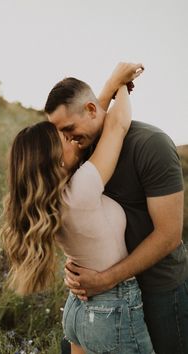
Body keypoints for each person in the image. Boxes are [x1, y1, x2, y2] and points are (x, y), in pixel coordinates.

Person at [0, 64, 155, 353]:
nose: (72, 140)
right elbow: (117, 125)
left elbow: (95, 120)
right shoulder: (81, 189)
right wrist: (120, 82)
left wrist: (102, 96)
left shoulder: (49, 201)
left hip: (78, 310)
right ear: (55, 161)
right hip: (113, 307)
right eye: (63, 140)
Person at [44, 63, 188, 354]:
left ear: (91, 109)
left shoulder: (151, 145)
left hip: (158, 286)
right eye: (59, 133)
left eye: (69, 130)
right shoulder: (78, 156)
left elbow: (169, 235)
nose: (66, 140)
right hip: (103, 296)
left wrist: (105, 278)